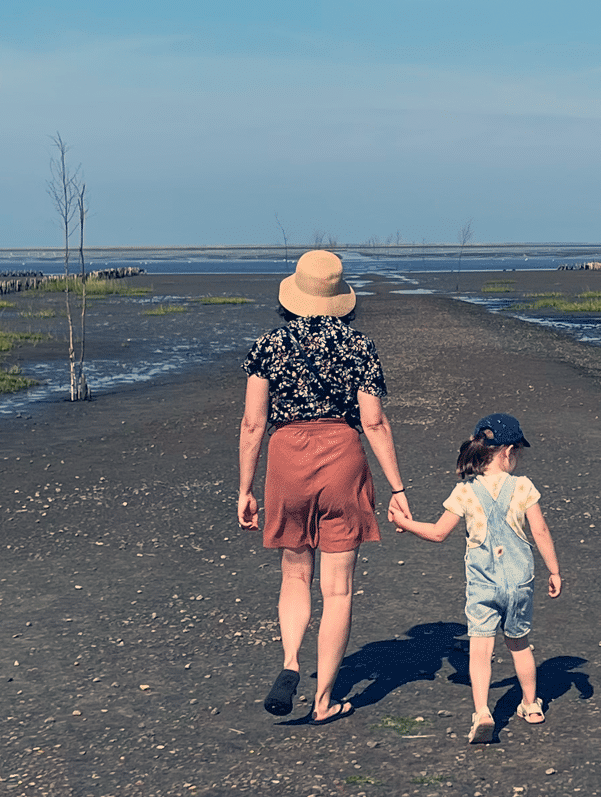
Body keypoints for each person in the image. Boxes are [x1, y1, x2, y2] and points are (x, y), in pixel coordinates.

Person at [238, 250, 412, 723]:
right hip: (342, 456)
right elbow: (373, 422)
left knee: (294, 574)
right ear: (340, 299)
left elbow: (254, 424)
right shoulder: (359, 347)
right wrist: (397, 488)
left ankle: (292, 662)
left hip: (287, 457)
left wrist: (245, 488)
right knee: (337, 590)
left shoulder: (269, 345)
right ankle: (324, 701)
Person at [395, 413, 562, 744]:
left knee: (481, 649)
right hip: (519, 582)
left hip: (483, 583)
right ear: (508, 451)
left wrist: (405, 522)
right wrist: (554, 570)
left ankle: (483, 712)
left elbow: (439, 533)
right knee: (519, 644)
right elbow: (540, 530)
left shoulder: (464, 492)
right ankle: (530, 705)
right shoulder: (524, 486)